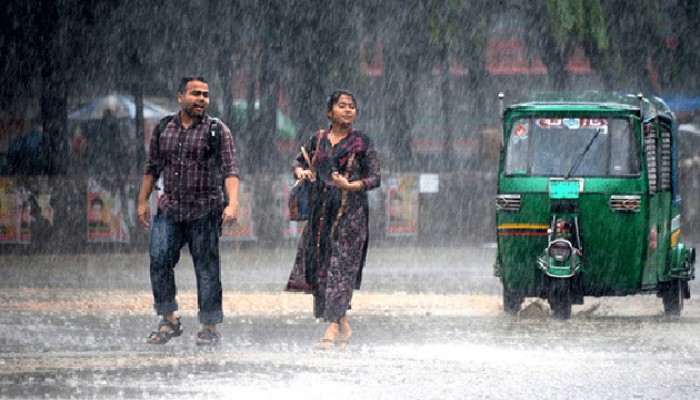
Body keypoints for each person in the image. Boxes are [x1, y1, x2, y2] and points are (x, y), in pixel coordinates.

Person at [137, 76, 239, 345]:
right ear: (180, 96)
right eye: (195, 94)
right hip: (169, 208)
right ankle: (169, 319)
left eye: (205, 95)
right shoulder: (163, 128)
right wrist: (141, 201)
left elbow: (230, 170)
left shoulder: (217, 131)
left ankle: (209, 327)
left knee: (206, 269)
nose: (201, 99)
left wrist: (233, 203)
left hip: (205, 210)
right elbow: (151, 168)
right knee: (159, 259)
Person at [286, 90, 381, 350]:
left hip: (351, 216)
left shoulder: (362, 142)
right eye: (342, 106)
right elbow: (297, 161)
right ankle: (344, 325)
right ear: (330, 112)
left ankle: (330, 330)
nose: (348, 110)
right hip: (320, 216)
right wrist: (302, 171)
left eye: (352, 106)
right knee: (323, 269)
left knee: (341, 270)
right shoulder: (318, 139)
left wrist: (351, 185)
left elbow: (376, 177)